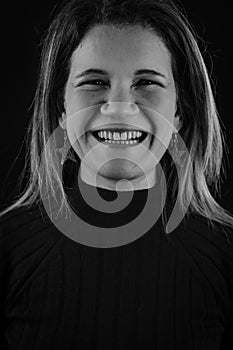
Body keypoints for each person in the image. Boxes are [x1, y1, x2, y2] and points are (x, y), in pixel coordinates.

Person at [0, 0, 233, 348]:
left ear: (180, 113)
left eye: (146, 83)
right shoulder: (8, 247)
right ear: (62, 110)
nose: (121, 107)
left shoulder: (224, 254)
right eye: (94, 81)